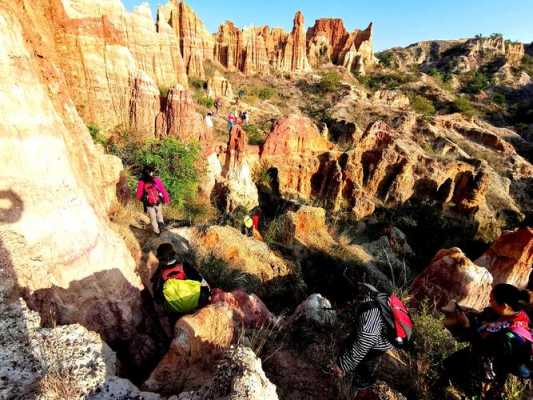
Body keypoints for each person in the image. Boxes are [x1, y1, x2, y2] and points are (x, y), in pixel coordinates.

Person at [442, 284, 533, 399]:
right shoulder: (516, 313)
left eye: (492, 299)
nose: (489, 301)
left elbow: (482, 346)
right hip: (488, 361)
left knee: (454, 373)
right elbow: (484, 323)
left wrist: (466, 325)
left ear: (504, 306)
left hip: (501, 376)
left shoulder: (510, 334)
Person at [331, 291, 393, 390]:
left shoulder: (369, 331)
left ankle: (364, 378)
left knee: (363, 355)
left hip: (382, 338)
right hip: (375, 322)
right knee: (356, 343)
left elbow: (361, 348)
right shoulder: (368, 305)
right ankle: (351, 364)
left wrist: (342, 367)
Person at [151, 243, 211, 315]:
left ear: (160, 259)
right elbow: (200, 280)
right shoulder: (185, 266)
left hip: (174, 309)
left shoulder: (160, 275)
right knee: (202, 290)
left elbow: (157, 297)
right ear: (173, 255)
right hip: (193, 302)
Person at [135, 166, 170, 235]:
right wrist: (166, 199)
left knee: (153, 219)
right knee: (159, 215)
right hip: (157, 201)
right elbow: (163, 190)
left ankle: (156, 232)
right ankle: (161, 226)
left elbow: (138, 195)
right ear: (151, 172)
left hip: (148, 204)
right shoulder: (156, 180)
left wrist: (142, 199)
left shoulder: (141, 182)